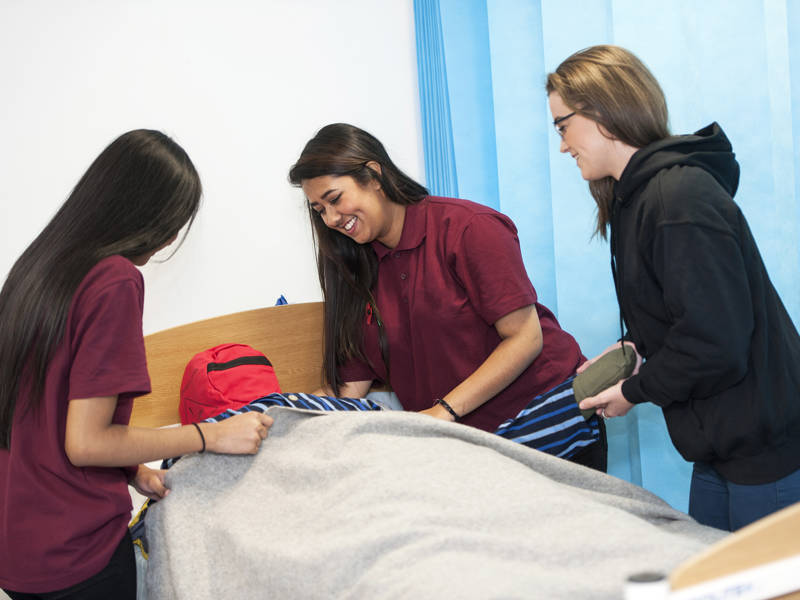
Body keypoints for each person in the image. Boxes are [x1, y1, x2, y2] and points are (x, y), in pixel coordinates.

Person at [0, 130, 273, 599]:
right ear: (146, 216)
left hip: (18, 544)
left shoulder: (37, 268)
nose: (169, 239)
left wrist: (132, 470)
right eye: (173, 223)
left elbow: (40, 411)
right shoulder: (115, 280)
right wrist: (210, 434)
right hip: (75, 555)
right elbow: (84, 442)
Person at [546, 45, 800, 531]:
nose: (562, 145)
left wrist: (634, 391)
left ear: (602, 112)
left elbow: (716, 344)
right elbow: (687, 314)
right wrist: (634, 348)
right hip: (719, 450)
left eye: (563, 126)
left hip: (767, 457)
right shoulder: (638, 200)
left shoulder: (678, 198)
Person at [288, 123, 606, 471]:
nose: (332, 218)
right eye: (319, 210)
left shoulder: (468, 228)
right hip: (463, 445)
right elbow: (350, 388)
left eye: (334, 199)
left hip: (542, 418)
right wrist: (280, 418)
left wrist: (443, 412)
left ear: (374, 175)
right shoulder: (353, 266)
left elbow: (526, 337)